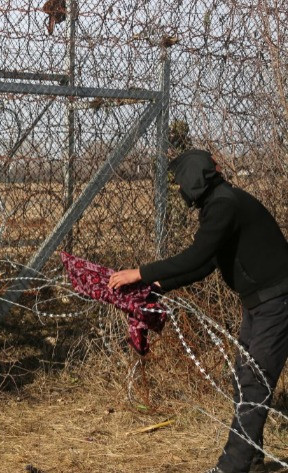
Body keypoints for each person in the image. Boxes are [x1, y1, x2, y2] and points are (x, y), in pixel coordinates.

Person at [108, 149, 288, 473]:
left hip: (277, 302)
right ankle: (253, 457)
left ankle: (231, 467)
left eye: (179, 182)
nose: (178, 189)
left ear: (194, 179)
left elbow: (195, 255)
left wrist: (140, 273)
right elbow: (206, 264)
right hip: (261, 303)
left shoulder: (224, 205)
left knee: (254, 383)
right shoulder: (218, 204)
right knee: (244, 380)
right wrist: (157, 288)